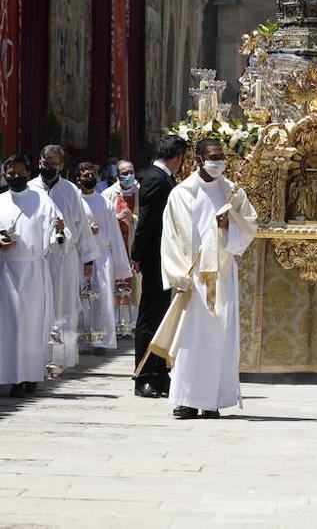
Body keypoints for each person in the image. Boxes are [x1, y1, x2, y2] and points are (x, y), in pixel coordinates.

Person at [156, 137, 258, 419]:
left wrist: (229, 225)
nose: (219, 162)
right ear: (199, 159)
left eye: (221, 156)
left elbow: (250, 226)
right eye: (213, 157)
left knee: (218, 339)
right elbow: (172, 236)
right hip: (193, 276)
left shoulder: (233, 192)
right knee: (191, 339)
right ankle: (186, 399)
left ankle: (212, 401)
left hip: (222, 275)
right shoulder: (181, 193)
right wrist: (180, 275)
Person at [0, 155, 65, 398]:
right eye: (10, 173)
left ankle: (32, 373)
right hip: (5, 272)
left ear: (28, 172)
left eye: (19, 173)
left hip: (33, 271)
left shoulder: (43, 201)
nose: (14, 177)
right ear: (4, 174)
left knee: (32, 326)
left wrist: (59, 232)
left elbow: (59, 235)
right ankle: (14, 378)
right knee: (9, 327)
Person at [30, 145, 98, 370]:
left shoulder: (70, 191)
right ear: (39, 161)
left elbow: (82, 227)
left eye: (54, 163)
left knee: (65, 305)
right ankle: (37, 356)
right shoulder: (30, 189)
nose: (49, 166)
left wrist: (88, 259)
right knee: (38, 305)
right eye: (45, 161)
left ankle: (63, 357)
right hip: (38, 257)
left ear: (61, 165)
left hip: (66, 257)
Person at [131, 134, 187, 398]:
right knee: (149, 316)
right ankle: (142, 375)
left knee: (161, 315)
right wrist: (138, 254)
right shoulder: (155, 179)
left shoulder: (163, 178)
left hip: (163, 256)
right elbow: (147, 222)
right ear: (177, 158)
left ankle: (158, 372)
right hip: (154, 257)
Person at [75, 162, 132, 353]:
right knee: (83, 298)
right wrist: (85, 231)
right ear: (78, 179)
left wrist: (121, 267)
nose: (89, 178)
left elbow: (115, 236)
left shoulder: (104, 203)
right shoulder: (74, 202)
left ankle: (101, 341)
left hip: (102, 256)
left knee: (102, 298)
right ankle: (83, 340)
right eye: (85, 175)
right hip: (81, 256)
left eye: (92, 174)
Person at [102, 159, 141, 325]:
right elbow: (102, 218)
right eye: (125, 173)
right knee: (116, 281)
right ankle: (117, 323)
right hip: (116, 246)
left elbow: (149, 217)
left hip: (134, 245)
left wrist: (134, 219)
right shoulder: (108, 194)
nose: (129, 176)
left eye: (131, 172)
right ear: (117, 176)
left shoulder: (141, 192)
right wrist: (114, 218)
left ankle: (132, 323)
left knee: (136, 284)